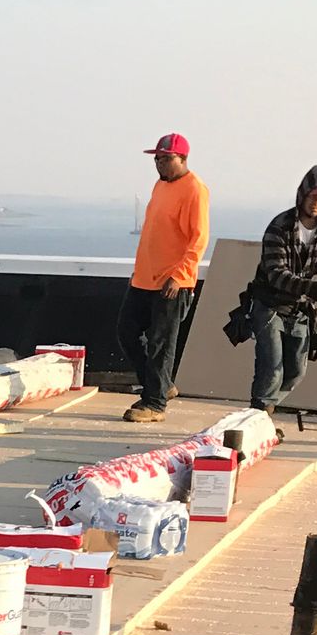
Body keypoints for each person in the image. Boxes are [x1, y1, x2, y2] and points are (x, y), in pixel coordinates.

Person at [118, 133, 210, 420]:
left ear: (182, 158)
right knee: (127, 332)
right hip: (144, 278)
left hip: (172, 282)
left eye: (166, 158)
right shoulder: (160, 185)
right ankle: (161, 386)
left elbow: (199, 238)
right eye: (156, 159)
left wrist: (179, 276)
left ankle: (154, 403)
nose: (159, 164)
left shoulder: (194, 189)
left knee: (161, 342)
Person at [248, 165, 317, 417]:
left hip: (300, 308)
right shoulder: (279, 226)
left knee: (295, 371)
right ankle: (259, 415)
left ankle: (262, 411)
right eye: (315, 196)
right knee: (272, 367)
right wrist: (315, 288)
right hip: (269, 303)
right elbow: (276, 274)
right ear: (302, 195)